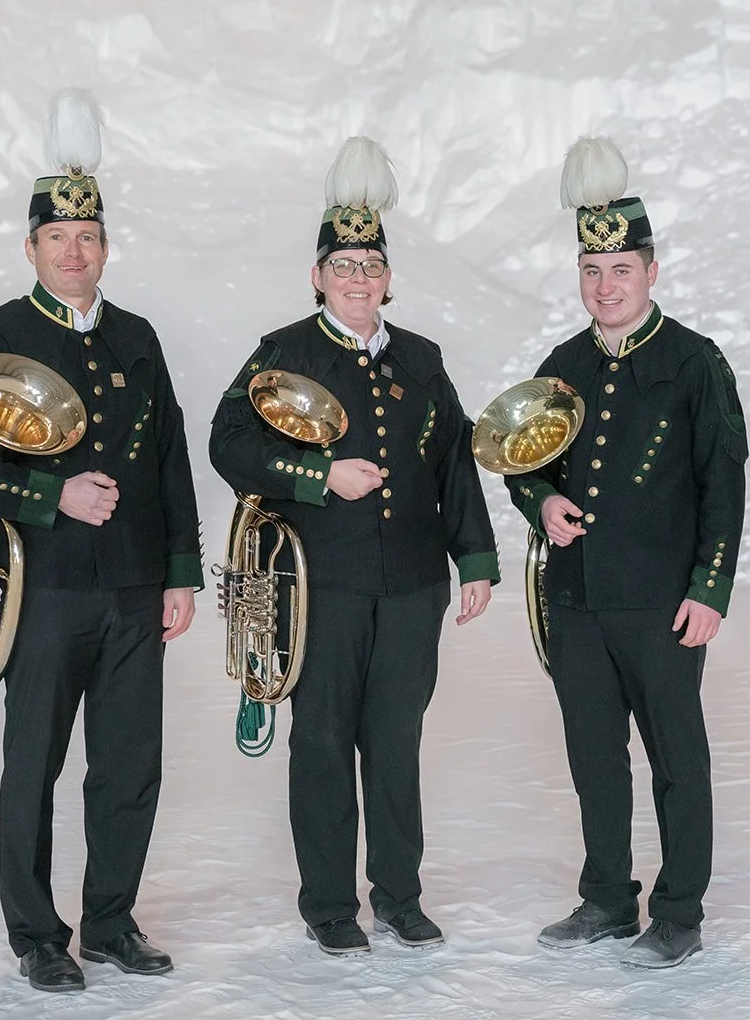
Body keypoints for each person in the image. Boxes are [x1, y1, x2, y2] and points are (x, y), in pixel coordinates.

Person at [0, 89, 202, 993]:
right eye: (56, 237)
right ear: (31, 247)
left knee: (130, 766)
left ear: (105, 247)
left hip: (133, 590)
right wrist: (50, 494)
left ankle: (111, 922)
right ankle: (38, 934)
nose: (72, 252)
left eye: (87, 237)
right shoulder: (2, 333)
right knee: (34, 767)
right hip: (42, 592)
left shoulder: (138, 338)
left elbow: (169, 460)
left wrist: (181, 573)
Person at [208, 137, 499, 957]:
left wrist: (474, 559)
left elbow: (454, 460)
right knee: (324, 741)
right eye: (343, 265)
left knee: (396, 742)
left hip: (411, 584)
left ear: (388, 275)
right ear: (318, 275)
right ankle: (331, 904)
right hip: (320, 586)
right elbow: (228, 443)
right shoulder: (284, 352)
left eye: (371, 265)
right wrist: (317, 475)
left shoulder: (422, 359)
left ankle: (400, 897)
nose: (358, 278)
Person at [504, 137, 748, 969]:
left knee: (678, 759)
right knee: (595, 757)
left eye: (620, 270)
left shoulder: (694, 362)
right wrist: (542, 501)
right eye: (591, 270)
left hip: (663, 601)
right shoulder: (562, 365)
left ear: (651, 270)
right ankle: (608, 897)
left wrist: (710, 586)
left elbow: (723, 482)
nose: (605, 286)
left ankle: (679, 911)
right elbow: (522, 460)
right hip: (576, 600)